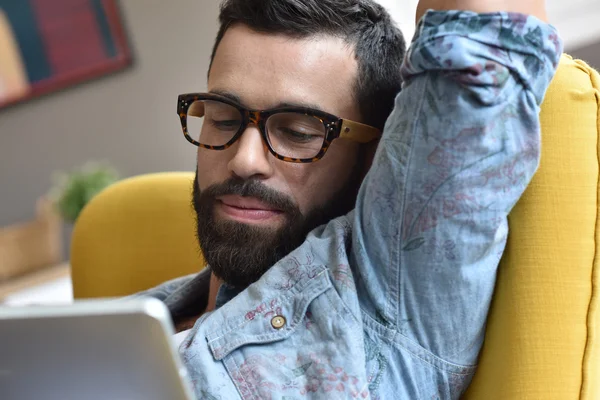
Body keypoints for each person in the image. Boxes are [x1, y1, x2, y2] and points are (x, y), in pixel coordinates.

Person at [137, 0, 562, 398]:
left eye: (299, 132)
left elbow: (490, 29)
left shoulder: (388, 288)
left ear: (372, 157)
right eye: (222, 118)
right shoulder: (121, 319)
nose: (244, 160)